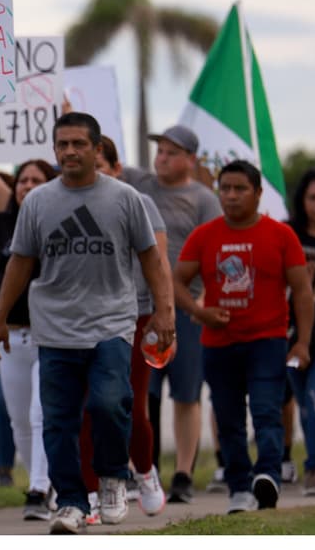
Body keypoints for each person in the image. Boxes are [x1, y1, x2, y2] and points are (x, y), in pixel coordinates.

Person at [0, 112, 175, 535]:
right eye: (62, 144)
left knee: (109, 403)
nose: (69, 151)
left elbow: (152, 260)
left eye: (78, 144)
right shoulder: (38, 201)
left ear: (94, 147)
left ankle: (111, 478)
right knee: (58, 420)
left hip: (112, 323)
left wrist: (164, 313)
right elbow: (20, 263)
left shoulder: (126, 199)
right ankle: (70, 501)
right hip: (54, 327)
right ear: (55, 149)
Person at [174, 160, 313, 514]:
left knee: (267, 412)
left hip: (267, 341)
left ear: (258, 193)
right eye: (226, 189)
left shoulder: (281, 235)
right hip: (218, 345)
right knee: (228, 418)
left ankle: (266, 475)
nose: (231, 196)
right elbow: (174, 282)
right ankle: (239, 486)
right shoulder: (204, 236)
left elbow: (301, 291)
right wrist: (199, 311)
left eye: (240, 189)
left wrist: (302, 342)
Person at [122, 124, 221, 502]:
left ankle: (183, 472)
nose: (161, 158)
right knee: (143, 395)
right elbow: (104, 158)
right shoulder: (139, 184)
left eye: (170, 152)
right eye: (159, 151)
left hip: (187, 308)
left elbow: (213, 252)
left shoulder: (202, 198)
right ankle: (144, 471)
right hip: (141, 306)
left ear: (190, 160)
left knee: (186, 392)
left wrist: (203, 305)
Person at [84, 136, 171, 518]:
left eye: (102, 165)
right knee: (88, 406)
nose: (95, 173)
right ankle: (89, 491)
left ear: (117, 169)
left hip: (133, 315)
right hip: (80, 319)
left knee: (128, 402)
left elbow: (159, 262)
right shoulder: (60, 201)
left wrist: (163, 314)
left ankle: (145, 471)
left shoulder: (140, 203)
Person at [0, 159, 58, 521]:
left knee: (42, 414)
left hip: (51, 336)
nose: (26, 186)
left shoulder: (59, 223)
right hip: (13, 338)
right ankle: (43, 481)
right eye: (22, 180)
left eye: (37, 180)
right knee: (19, 421)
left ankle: (39, 487)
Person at [285, 168, 315, 496]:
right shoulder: (288, 234)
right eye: (312, 197)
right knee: (306, 403)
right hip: (291, 333)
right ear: (302, 201)